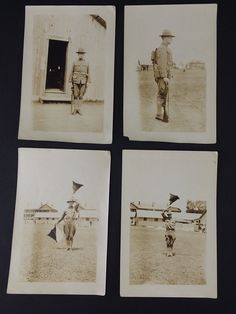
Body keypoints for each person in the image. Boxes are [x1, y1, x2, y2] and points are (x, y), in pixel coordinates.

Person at [151, 29, 175, 122]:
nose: (171, 39)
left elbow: (168, 64)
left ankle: (161, 113)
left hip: (165, 75)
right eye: (170, 37)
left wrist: (169, 75)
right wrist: (164, 76)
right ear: (165, 38)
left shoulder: (166, 49)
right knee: (161, 94)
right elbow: (161, 64)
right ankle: (159, 114)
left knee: (163, 94)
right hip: (162, 76)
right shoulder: (161, 49)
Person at [69, 48, 91, 115]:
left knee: (81, 95)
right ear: (78, 54)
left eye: (82, 54)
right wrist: (70, 80)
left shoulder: (87, 63)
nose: (81, 55)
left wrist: (88, 81)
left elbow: (88, 72)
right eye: (79, 54)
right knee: (75, 95)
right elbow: (72, 71)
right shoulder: (74, 62)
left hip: (83, 81)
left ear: (84, 55)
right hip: (75, 81)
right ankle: (75, 109)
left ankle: (79, 109)